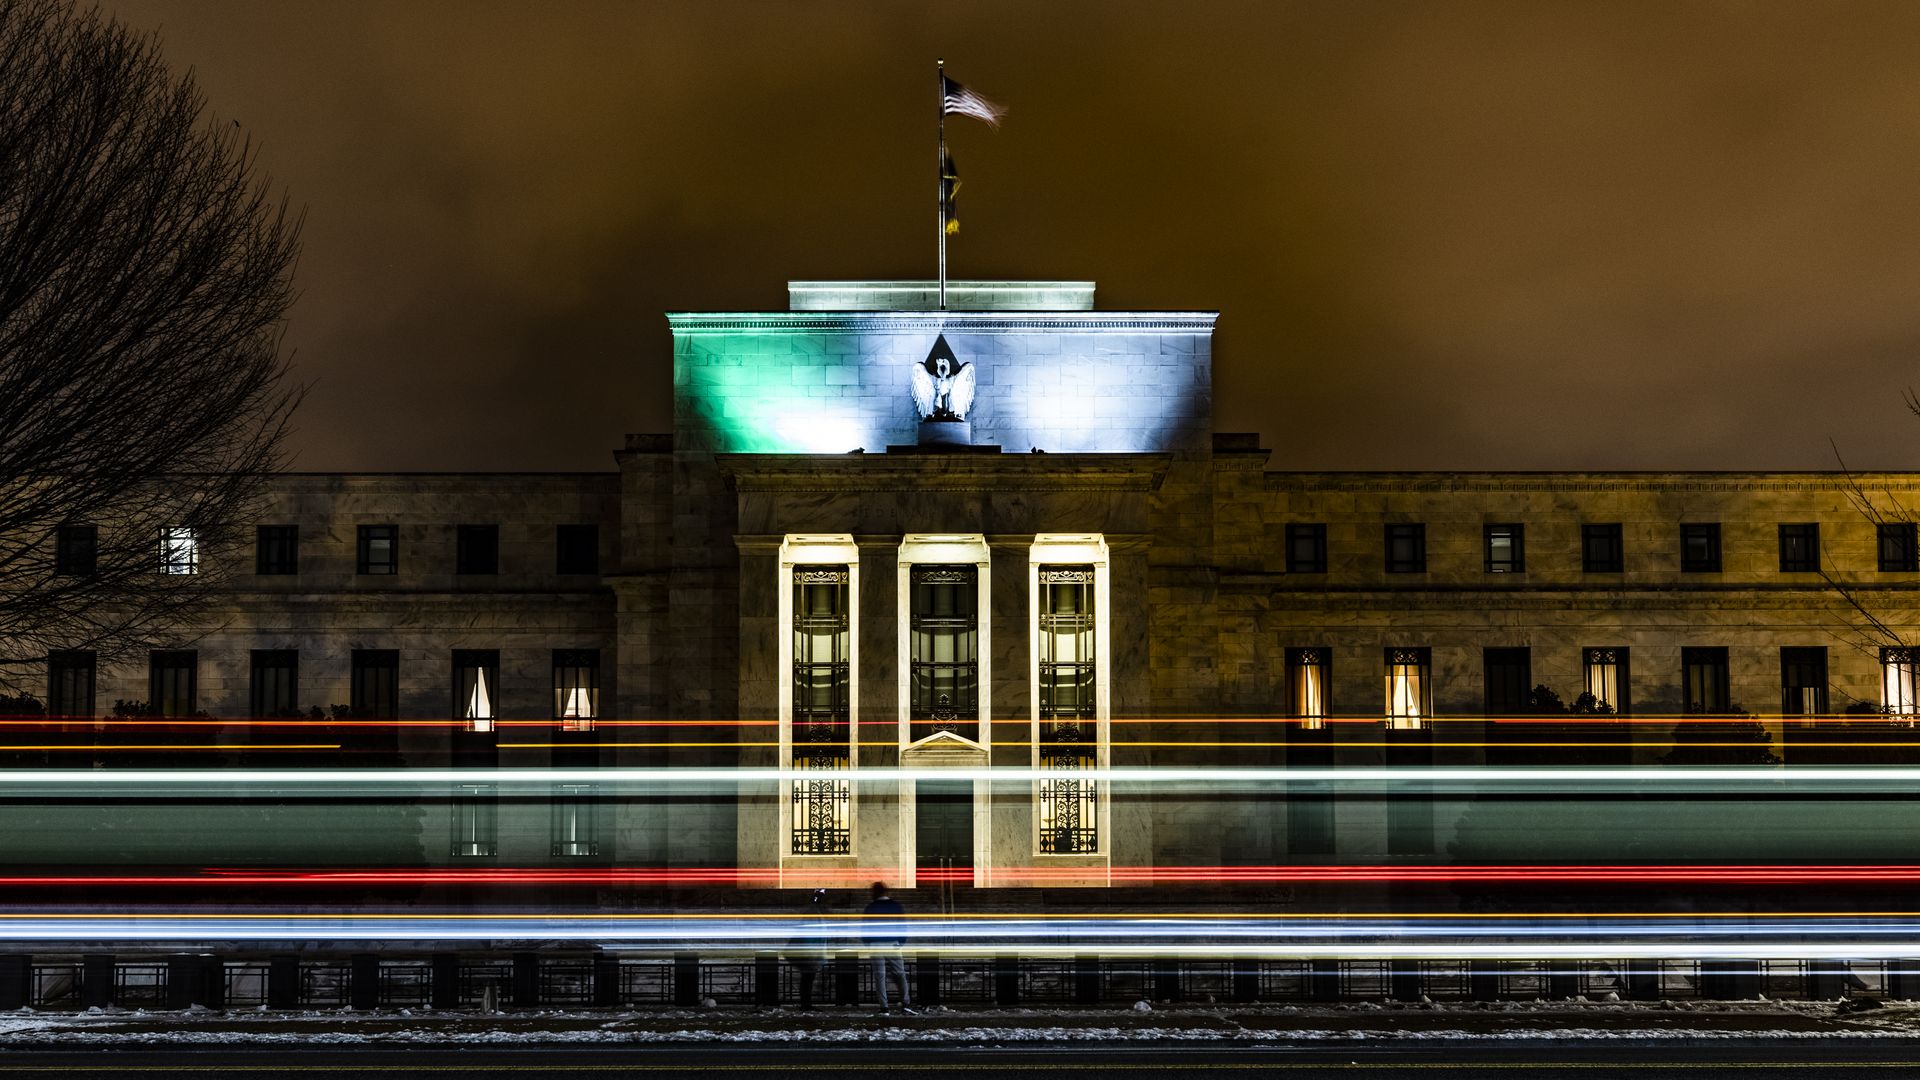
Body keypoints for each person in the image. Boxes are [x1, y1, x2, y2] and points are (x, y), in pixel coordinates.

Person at [863, 880, 911, 1011]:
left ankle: (884, 1006)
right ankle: (905, 1002)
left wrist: (868, 943)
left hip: (875, 945)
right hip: (892, 943)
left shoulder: (870, 907)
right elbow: (902, 926)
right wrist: (901, 942)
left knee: (880, 977)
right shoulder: (895, 906)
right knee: (900, 974)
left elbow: (865, 928)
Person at [786, 889, 830, 1009]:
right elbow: (809, 935)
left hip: (811, 952)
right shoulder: (814, 912)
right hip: (809, 953)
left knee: (808, 978)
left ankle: (806, 1003)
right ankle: (806, 1004)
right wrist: (812, 953)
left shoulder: (814, 912)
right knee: (807, 978)